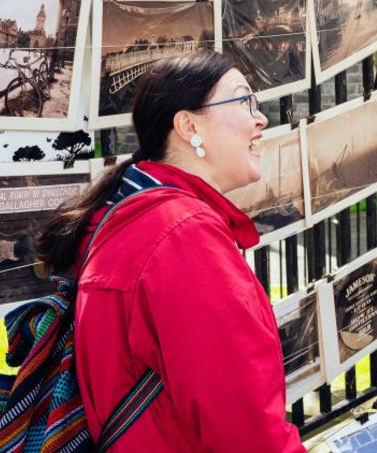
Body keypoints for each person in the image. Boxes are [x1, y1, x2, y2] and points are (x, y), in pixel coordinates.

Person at [35, 51, 306, 452]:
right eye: (243, 100)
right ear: (188, 125)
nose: (260, 118)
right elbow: (244, 427)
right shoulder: (183, 236)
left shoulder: (132, 214)